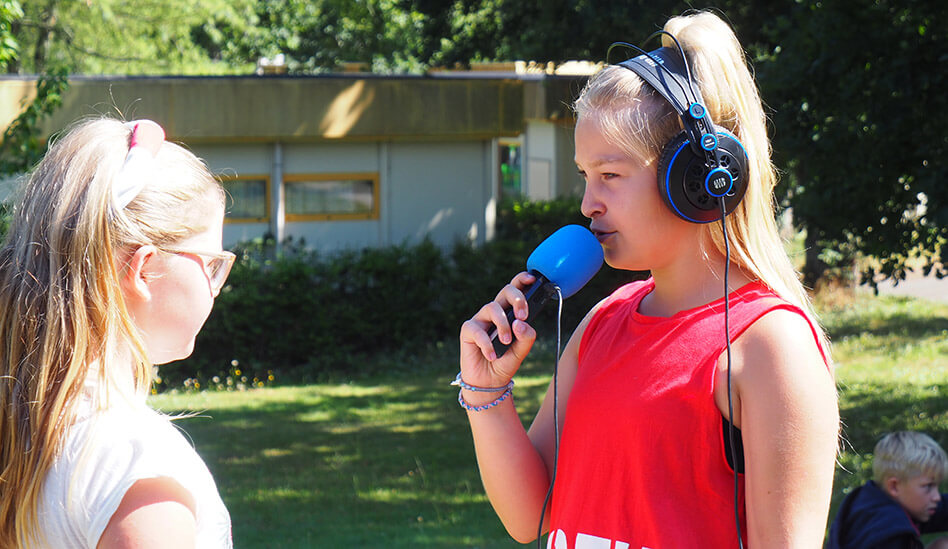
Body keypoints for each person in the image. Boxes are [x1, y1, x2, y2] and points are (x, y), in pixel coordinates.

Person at [458, 11, 839, 548]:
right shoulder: (601, 325)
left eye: (611, 175)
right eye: (585, 177)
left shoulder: (770, 347)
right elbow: (531, 516)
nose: (589, 203)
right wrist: (485, 390)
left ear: (696, 179)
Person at [0, 117, 235, 547]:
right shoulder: (139, 470)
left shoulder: (25, 434)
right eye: (214, 264)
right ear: (144, 269)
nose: (217, 284)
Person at [828, 432, 948, 549]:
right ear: (894, 486)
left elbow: (942, 511)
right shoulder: (887, 533)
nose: (936, 496)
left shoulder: (870, 500)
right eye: (928, 486)